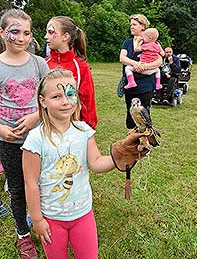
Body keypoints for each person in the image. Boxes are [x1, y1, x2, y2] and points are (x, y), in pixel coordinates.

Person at [22, 69, 115, 259]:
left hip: (83, 214)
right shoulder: (35, 140)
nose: (65, 101)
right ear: (42, 101)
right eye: (57, 96)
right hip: (51, 217)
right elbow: (30, 183)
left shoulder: (84, 131)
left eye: (71, 94)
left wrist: (119, 158)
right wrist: (37, 219)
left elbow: (96, 163)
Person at [0, 8, 49, 259]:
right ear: (2, 33)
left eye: (27, 33)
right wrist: (0, 128)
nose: (21, 38)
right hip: (8, 141)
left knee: (40, 184)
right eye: (15, 32)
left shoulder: (39, 64)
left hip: (37, 139)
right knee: (18, 188)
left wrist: (36, 117)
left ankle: (43, 223)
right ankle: (23, 235)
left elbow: (52, 97)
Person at [44, 16, 98, 130]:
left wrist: (87, 129)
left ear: (65, 36)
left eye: (50, 32)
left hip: (72, 130)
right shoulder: (43, 64)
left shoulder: (81, 67)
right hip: (46, 129)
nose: (46, 37)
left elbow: (88, 101)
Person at [119, 14, 162, 129]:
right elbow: (122, 58)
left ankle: (144, 142)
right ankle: (131, 143)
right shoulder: (127, 42)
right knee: (130, 114)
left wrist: (145, 67)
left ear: (143, 26)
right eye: (131, 25)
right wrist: (135, 64)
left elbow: (159, 61)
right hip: (130, 85)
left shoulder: (152, 42)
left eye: (134, 24)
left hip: (146, 84)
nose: (131, 27)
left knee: (144, 114)